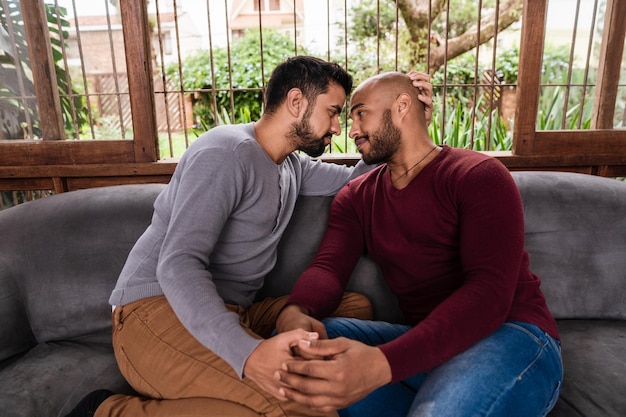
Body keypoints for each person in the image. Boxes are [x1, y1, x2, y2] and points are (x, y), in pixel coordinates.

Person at [64, 58, 433, 417]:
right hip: (154, 313)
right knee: (299, 404)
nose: (338, 127)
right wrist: (249, 354)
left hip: (231, 310)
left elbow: (358, 181)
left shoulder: (291, 164)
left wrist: (408, 123)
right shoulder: (225, 152)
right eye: (334, 111)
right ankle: (108, 411)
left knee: (355, 310)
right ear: (295, 102)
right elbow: (177, 265)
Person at [275, 71, 563, 417]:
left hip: (511, 334)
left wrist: (382, 364)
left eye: (361, 113)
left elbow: (489, 296)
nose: (350, 131)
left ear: (401, 107)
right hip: (427, 343)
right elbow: (328, 268)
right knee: (317, 342)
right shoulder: (356, 197)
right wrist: (296, 311)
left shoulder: (479, 176)